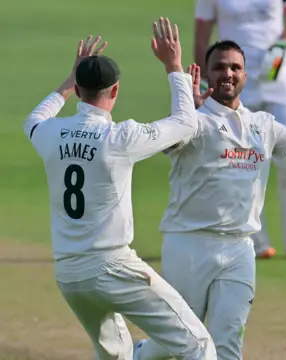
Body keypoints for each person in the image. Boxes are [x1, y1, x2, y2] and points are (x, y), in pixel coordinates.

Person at [132, 40, 286, 360]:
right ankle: (140, 354)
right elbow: (169, 139)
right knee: (181, 342)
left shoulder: (262, 125)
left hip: (240, 247)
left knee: (227, 342)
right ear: (207, 74)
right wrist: (183, 96)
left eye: (235, 67)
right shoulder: (192, 119)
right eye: (220, 67)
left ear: (245, 75)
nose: (228, 73)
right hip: (189, 244)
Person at [23, 19, 217, 360]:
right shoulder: (119, 138)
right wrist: (174, 67)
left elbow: (33, 119)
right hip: (113, 265)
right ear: (115, 91)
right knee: (199, 346)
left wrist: (69, 81)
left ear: (80, 91)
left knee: (117, 356)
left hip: (69, 274)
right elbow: (186, 123)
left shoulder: (51, 134)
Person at [193, 0, 286, 259]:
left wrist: (281, 46)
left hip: (275, 73)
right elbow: (201, 37)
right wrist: (204, 81)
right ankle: (251, 240)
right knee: (240, 158)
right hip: (234, 80)